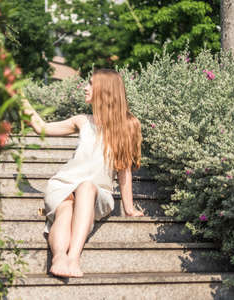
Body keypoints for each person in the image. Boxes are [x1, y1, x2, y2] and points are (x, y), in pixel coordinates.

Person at [21, 69, 144, 278]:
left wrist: (129, 208)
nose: (85, 88)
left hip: (98, 193)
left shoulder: (128, 125)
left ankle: (73, 257)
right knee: (66, 210)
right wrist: (19, 98)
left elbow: (124, 171)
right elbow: (41, 127)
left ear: (105, 90)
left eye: (90, 84)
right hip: (63, 185)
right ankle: (59, 257)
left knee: (86, 187)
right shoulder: (82, 120)